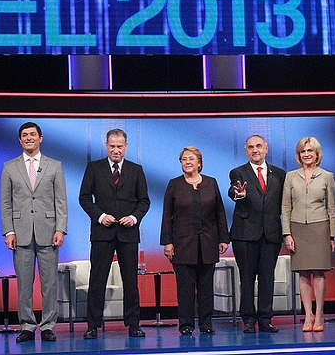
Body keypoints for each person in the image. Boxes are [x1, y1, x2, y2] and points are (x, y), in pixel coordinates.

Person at [79, 128, 150, 339]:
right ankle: (92, 325)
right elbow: (84, 198)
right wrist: (100, 216)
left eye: (120, 146)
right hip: (103, 232)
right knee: (97, 280)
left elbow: (144, 201)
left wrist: (134, 217)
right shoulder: (94, 168)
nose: (116, 150)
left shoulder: (136, 170)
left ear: (126, 147)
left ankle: (133, 324)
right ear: (106, 146)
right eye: (112, 146)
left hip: (128, 233)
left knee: (131, 281)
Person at [0, 122, 67, 343]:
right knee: (24, 284)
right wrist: (8, 231)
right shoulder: (9, 167)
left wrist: (60, 228)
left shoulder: (54, 166)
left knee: (49, 284)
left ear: (41, 138)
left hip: (48, 232)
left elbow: (61, 201)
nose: (29, 138)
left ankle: (48, 326)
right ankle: (27, 326)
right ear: (20, 140)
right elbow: (5, 203)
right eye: (24, 135)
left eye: (32, 135)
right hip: (20, 233)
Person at [160, 146, 229, 336]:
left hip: (208, 242)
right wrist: (168, 242)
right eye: (184, 159)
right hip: (182, 245)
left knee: (206, 288)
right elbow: (167, 215)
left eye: (191, 159)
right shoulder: (174, 184)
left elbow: (220, 212)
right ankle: (186, 325)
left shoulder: (211, 183)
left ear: (199, 162)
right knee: (185, 289)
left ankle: (206, 323)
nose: (187, 162)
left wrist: (224, 237)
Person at [228, 134, 285, 333]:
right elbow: (233, 190)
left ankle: (265, 318)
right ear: (246, 151)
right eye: (251, 147)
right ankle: (248, 319)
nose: (255, 150)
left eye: (259, 146)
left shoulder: (279, 174)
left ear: (266, 148)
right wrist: (238, 194)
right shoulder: (238, 172)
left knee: (267, 277)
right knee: (247, 277)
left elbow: (283, 204)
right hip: (245, 234)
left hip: (271, 234)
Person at [281, 137, 335, 332]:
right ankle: (308, 314)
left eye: (310, 151)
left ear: (317, 154)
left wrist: (332, 235)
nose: (307, 154)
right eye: (303, 151)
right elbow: (286, 207)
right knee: (303, 273)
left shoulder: (327, 176)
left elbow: (331, 207)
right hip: (297, 227)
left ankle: (320, 313)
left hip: (320, 227)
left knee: (319, 272)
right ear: (299, 155)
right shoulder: (291, 176)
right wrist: (286, 233)